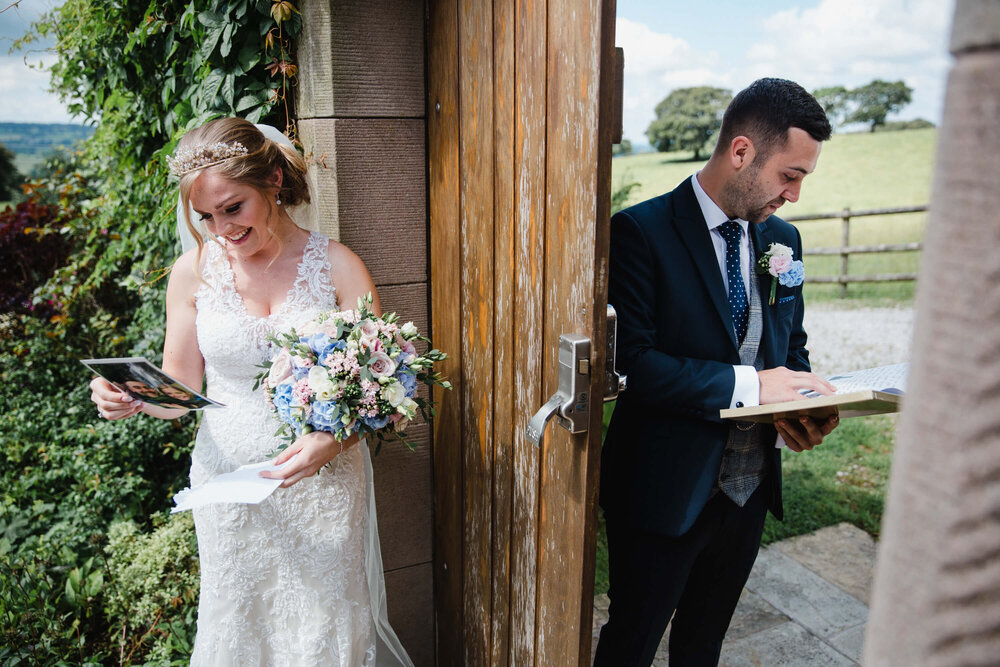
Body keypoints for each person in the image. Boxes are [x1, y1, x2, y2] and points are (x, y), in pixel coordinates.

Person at [89, 118, 412, 666]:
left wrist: (332, 442)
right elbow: (180, 389)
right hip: (227, 487)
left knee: (322, 631)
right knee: (240, 627)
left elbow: (382, 390)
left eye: (233, 208)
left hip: (321, 489)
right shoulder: (192, 274)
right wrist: (129, 396)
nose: (221, 229)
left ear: (275, 180)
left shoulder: (338, 267)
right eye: (206, 216)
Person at [594, 78, 840, 666]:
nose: (795, 195)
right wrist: (757, 386)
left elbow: (790, 346)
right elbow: (636, 365)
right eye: (790, 176)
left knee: (703, 645)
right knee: (632, 640)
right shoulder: (639, 233)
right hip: (662, 488)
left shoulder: (783, 240)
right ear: (741, 152)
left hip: (747, 492)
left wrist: (801, 403)